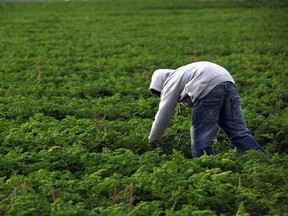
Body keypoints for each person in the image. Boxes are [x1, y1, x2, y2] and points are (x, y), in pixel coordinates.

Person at [148, 61, 267, 158]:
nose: (161, 95)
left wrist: (152, 140)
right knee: (238, 130)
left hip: (208, 84)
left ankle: (204, 166)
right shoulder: (184, 73)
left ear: (161, 83)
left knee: (200, 136)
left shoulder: (171, 81)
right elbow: (214, 115)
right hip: (228, 82)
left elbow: (164, 115)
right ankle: (261, 160)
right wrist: (211, 136)